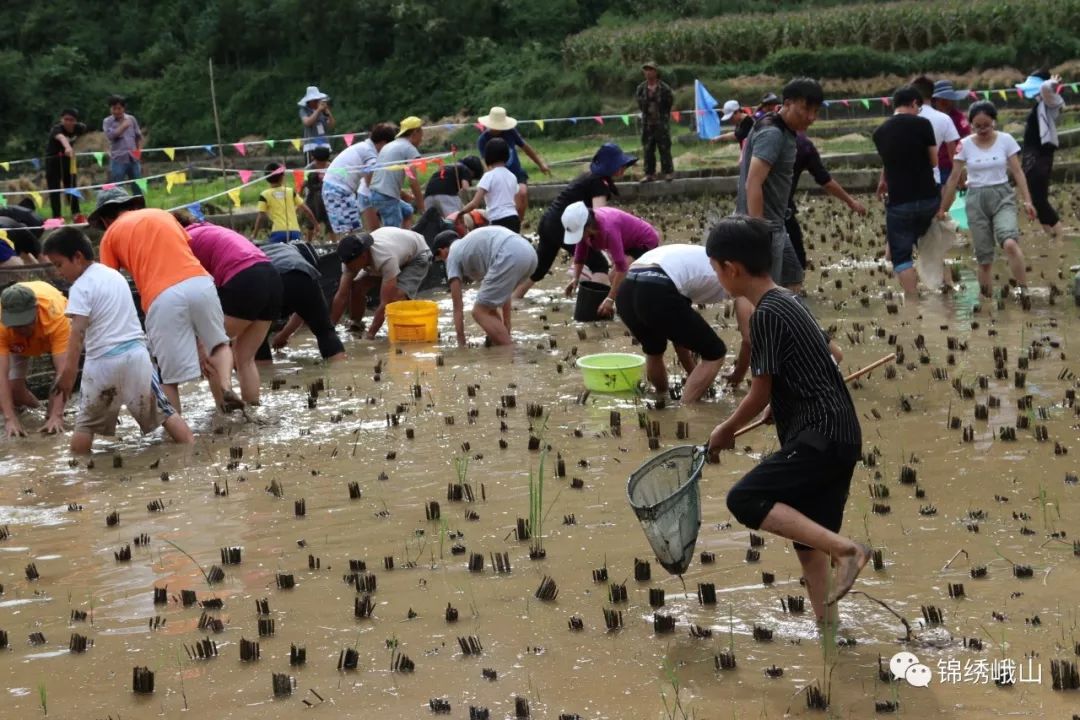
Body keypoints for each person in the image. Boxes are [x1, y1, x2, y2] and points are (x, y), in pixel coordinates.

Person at [705, 215, 868, 623]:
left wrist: (725, 429)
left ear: (731, 269)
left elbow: (759, 388)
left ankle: (848, 550)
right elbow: (827, 357)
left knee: (743, 498)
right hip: (842, 436)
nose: (717, 278)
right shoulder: (790, 301)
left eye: (715, 270)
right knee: (809, 545)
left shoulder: (765, 315)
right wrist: (779, 403)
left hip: (820, 436)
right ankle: (829, 634)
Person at [89, 188, 242, 414]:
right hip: (200, 283)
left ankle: (179, 438)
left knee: (167, 377)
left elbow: (110, 283)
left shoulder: (110, 235)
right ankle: (227, 388)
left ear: (104, 218)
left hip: (161, 296)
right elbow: (184, 248)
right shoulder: (163, 215)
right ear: (132, 205)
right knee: (218, 344)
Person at [41, 228, 193, 452]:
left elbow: (78, 333)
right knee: (166, 413)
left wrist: (68, 373)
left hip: (101, 364)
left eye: (59, 264)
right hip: (135, 357)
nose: (58, 272)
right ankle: (191, 452)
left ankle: (76, 474)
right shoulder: (114, 275)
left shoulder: (80, 288)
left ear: (77, 257)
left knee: (85, 426)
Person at [175, 212, 282, 406]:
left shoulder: (184, 240)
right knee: (245, 358)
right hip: (271, 275)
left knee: (211, 349)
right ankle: (253, 409)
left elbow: (194, 290)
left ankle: (224, 412)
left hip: (244, 277)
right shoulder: (210, 230)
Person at [735, 78, 824, 292]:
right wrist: (759, 234)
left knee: (793, 276)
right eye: (805, 109)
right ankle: (759, 325)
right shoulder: (772, 133)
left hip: (777, 224)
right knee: (761, 290)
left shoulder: (781, 127)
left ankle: (785, 323)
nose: (811, 117)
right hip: (765, 227)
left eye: (816, 111)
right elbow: (753, 183)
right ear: (788, 103)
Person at [513, 142, 636, 298]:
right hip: (564, 226)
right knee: (599, 264)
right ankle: (594, 305)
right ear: (612, 167)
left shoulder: (590, 178)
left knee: (539, 269)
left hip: (548, 222)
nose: (623, 168)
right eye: (621, 165)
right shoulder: (599, 183)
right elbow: (600, 215)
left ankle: (512, 300)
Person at [939, 102, 1036, 299]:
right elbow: (953, 177)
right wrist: (943, 208)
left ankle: (1023, 289)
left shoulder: (1006, 140)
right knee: (984, 258)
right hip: (976, 199)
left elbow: (1018, 172)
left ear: (994, 122)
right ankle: (987, 301)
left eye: (987, 125)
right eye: (977, 126)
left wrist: (1028, 200)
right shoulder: (964, 145)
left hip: (1002, 196)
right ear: (971, 125)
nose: (983, 130)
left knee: (1009, 242)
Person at [616, 244, 728, 403]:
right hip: (656, 287)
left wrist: (693, 373)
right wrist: (736, 375)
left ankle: (662, 399)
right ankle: (686, 410)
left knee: (654, 351)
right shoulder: (733, 274)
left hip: (627, 289)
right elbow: (747, 339)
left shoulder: (701, 260)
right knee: (715, 352)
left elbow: (678, 335)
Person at [873, 85, 940, 297]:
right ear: (914, 103)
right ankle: (943, 290)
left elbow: (889, 162)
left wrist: (883, 179)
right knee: (930, 248)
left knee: (901, 257)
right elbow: (934, 161)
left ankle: (912, 302)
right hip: (929, 199)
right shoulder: (923, 124)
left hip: (900, 201)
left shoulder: (879, 132)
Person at [434, 226, 537, 347]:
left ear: (442, 251)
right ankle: (504, 342)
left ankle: (511, 354)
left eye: (441, 259)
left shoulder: (452, 255)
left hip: (508, 254)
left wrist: (461, 343)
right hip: (529, 254)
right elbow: (505, 290)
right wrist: (507, 326)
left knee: (479, 312)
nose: (444, 263)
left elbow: (457, 305)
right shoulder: (469, 245)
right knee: (488, 309)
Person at [562, 203, 660, 318]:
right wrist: (576, 278)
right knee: (614, 279)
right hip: (626, 244)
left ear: (588, 227)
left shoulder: (608, 229)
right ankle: (625, 308)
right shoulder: (587, 231)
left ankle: (633, 310)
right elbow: (580, 255)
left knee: (615, 277)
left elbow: (622, 268)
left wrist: (610, 298)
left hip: (644, 241)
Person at [333, 228, 432, 339]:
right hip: (397, 250)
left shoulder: (385, 258)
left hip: (417, 255)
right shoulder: (348, 260)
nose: (349, 268)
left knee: (396, 297)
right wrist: (330, 330)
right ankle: (356, 324)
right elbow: (342, 295)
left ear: (363, 256)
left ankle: (409, 331)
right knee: (357, 285)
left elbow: (386, 303)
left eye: (351, 266)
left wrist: (369, 336)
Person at [786, 132, 867, 268]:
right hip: (780, 210)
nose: (812, 117)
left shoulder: (763, 134)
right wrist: (851, 202)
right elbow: (825, 180)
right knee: (796, 262)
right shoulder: (803, 145)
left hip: (760, 210)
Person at [0, 282, 69, 437]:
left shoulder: (57, 315)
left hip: (51, 334)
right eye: (16, 325)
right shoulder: (2, 325)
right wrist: (9, 419)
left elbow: (63, 371)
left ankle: (50, 413)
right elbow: (1, 376)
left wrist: (56, 416)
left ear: (36, 310)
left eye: (25, 324)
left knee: (54, 411)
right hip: (15, 344)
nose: (22, 329)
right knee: (13, 391)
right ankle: (38, 410)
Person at [259, 242, 345, 362]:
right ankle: (341, 371)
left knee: (258, 338)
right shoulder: (301, 262)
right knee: (325, 332)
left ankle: (267, 377)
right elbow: (306, 307)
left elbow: (301, 311)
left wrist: (284, 335)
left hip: (264, 279)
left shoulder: (267, 248)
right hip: (303, 276)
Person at [322, 123, 398, 236]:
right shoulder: (370, 153)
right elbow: (370, 180)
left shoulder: (364, 147)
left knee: (351, 228)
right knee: (348, 230)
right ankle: (347, 252)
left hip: (335, 187)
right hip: (338, 190)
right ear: (383, 143)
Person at [1016, 70, 1066, 238]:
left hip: (1040, 156)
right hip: (1032, 157)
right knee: (1036, 198)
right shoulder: (1040, 104)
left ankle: (1059, 236)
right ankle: (1050, 237)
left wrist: (1052, 81)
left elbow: (1046, 88)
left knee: (1039, 199)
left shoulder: (1052, 102)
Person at [477, 107, 551, 214]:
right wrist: (492, 179)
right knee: (510, 204)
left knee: (522, 194)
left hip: (515, 173)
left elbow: (525, 147)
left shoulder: (510, 132)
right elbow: (485, 163)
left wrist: (541, 164)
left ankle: (517, 225)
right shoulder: (483, 140)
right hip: (499, 177)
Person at [369, 117, 425, 228]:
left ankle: (407, 238)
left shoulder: (391, 145)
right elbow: (413, 181)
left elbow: (387, 176)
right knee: (394, 231)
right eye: (421, 133)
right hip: (386, 196)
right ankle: (397, 242)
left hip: (376, 193)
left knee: (407, 211)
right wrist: (422, 208)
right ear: (415, 132)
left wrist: (403, 194)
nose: (422, 138)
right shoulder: (409, 148)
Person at [457, 138, 520, 232]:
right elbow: (514, 201)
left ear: (488, 156)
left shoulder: (489, 176)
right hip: (514, 218)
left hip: (498, 220)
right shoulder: (512, 176)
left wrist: (460, 213)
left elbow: (475, 203)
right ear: (507, 155)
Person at [911, 76, 960, 186]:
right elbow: (954, 155)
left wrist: (883, 179)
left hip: (906, 181)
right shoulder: (944, 119)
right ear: (932, 93)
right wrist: (960, 180)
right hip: (933, 178)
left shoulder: (903, 118)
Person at [254, 163, 317, 243]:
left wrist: (254, 235)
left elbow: (261, 217)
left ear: (266, 178)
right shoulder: (291, 192)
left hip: (278, 232)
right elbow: (306, 210)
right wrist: (315, 224)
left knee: (274, 254)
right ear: (282, 177)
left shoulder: (264, 195)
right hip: (295, 232)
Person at [44, 108, 87, 222]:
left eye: (71, 120)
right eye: (66, 119)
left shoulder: (80, 128)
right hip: (53, 161)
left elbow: (88, 134)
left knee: (72, 187)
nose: (68, 122)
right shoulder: (57, 129)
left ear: (76, 121)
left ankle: (76, 213)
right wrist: (67, 147)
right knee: (54, 189)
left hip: (68, 160)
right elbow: (61, 137)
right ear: (61, 119)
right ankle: (57, 216)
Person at [635, 63, 675, 181]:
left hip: (661, 124)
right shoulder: (641, 89)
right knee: (648, 150)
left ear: (656, 72)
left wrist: (662, 117)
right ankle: (649, 174)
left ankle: (667, 172)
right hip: (647, 124)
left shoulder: (664, 88)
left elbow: (669, 104)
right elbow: (640, 105)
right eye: (646, 70)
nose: (648, 73)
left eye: (650, 70)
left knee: (664, 149)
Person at [930, 80, 971, 187]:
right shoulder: (929, 117)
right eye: (942, 100)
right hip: (932, 167)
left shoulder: (958, 117)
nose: (946, 102)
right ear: (935, 101)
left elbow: (967, 137)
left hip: (953, 165)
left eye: (948, 99)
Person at [102, 95, 144, 193]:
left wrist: (138, 152)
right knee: (117, 187)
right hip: (118, 159)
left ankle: (139, 206)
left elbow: (138, 137)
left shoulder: (132, 119)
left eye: (119, 108)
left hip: (133, 158)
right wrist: (123, 126)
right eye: (114, 108)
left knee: (137, 186)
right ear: (110, 108)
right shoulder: (107, 121)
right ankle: (118, 207)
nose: (116, 111)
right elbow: (110, 136)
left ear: (124, 108)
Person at [298, 86, 335, 161]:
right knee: (312, 171)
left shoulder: (323, 110)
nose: (317, 101)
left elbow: (331, 125)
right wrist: (318, 110)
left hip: (324, 145)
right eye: (314, 100)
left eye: (318, 99)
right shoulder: (304, 110)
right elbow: (307, 122)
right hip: (311, 146)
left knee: (326, 169)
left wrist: (328, 113)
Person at [302, 146, 331, 233]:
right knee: (310, 224)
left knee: (330, 224)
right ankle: (308, 243)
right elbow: (303, 184)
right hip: (313, 198)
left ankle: (335, 243)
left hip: (328, 198)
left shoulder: (332, 167)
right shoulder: (309, 169)